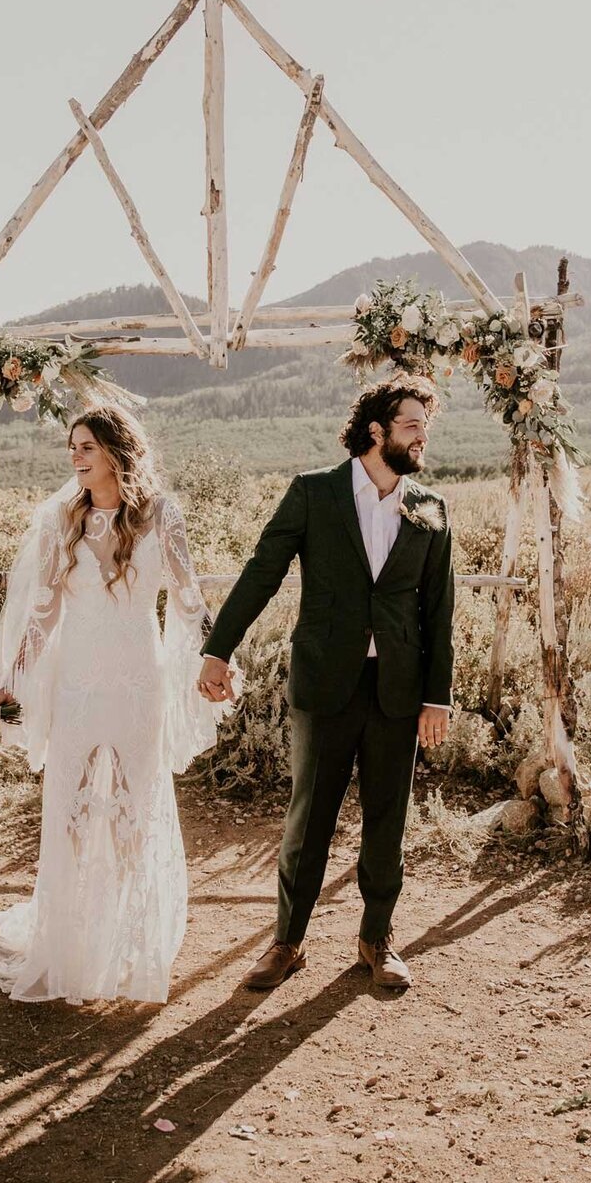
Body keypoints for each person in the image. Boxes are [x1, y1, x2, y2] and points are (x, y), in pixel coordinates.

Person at [0, 404, 236, 1006]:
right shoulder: (64, 519)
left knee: (137, 807)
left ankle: (133, 942)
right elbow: (43, 613)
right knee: (72, 810)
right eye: (72, 449)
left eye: (86, 447)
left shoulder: (163, 516)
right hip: (79, 681)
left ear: (115, 450)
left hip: (140, 679)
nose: (77, 459)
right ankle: (72, 941)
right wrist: (13, 677)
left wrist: (218, 656)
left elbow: (189, 601)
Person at [198, 374, 453, 992]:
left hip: (396, 689)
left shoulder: (431, 509)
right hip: (325, 685)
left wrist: (437, 697)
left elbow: (439, 610)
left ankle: (377, 939)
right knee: (308, 819)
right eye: (412, 425)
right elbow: (262, 572)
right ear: (376, 431)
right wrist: (217, 649)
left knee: (388, 820)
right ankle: (287, 942)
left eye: (425, 425)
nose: (423, 437)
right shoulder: (315, 493)